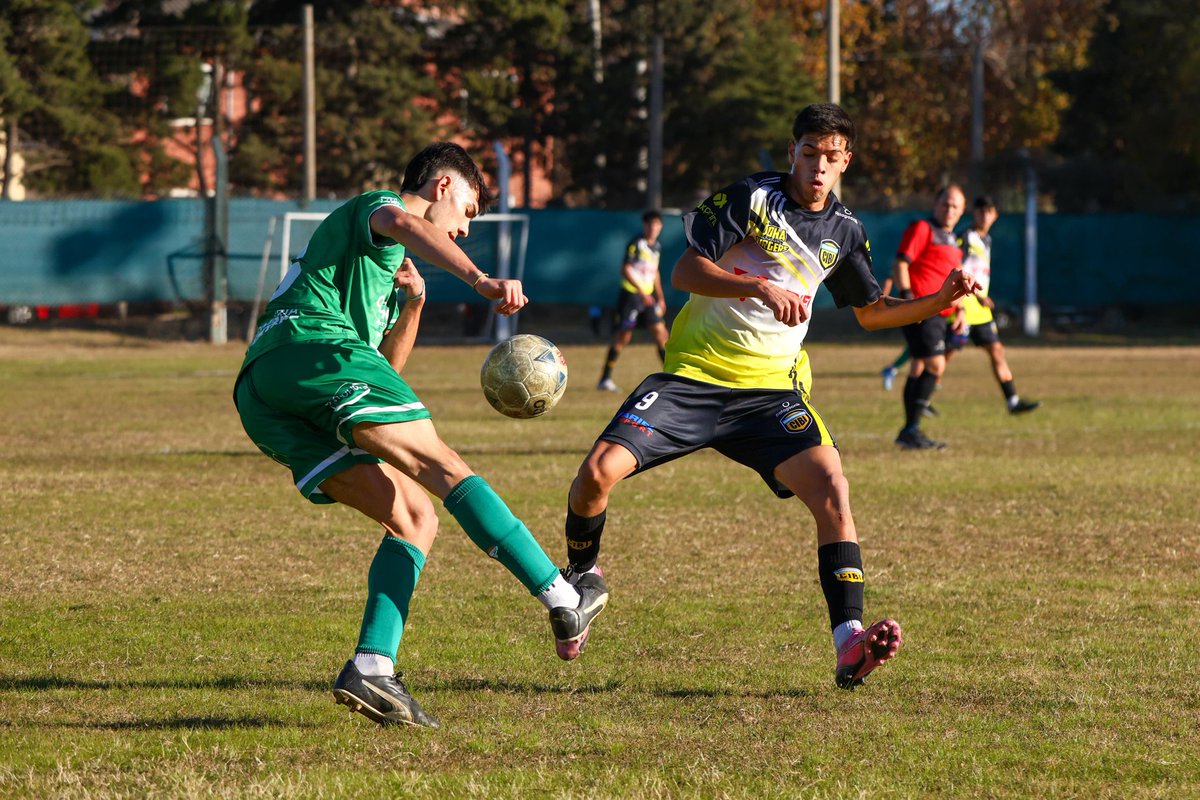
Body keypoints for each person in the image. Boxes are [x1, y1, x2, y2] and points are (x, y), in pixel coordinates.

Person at [558, 104, 978, 688]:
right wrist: (758, 285)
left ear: (846, 162)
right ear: (792, 152)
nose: (818, 167)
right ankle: (583, 579)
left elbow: (872, 312)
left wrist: (940, 300)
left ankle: (850, 642)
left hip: (769, 394)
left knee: (832, 487)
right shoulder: (751, 198)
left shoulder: (845, 231)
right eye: (809, 153)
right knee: (596, 474)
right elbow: (685, 272)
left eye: (831, 157)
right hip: (694, 378)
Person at [233, 142, 607, 729]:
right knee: (444, 467)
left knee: (414, 518)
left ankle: (372, 666)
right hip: (314, 350)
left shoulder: (381, 273)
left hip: (265, 395)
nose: (465, 229)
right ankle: (563, 595)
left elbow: (382, 374)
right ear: (442, 186)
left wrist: (412, 305)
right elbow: (405, 223)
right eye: (468, 211)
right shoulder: (380, 207)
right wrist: (479, 279)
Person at [943, 196, 1041, 414]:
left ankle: (1012, 401)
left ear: (995, 216)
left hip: (981, 311)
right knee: (944, 356)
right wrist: (976, 295)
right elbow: (955, 265)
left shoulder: (986, 240)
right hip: (964, 307)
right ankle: (923, 397)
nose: (984, 216)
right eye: (980, 211)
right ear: (974, 213)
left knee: (996, 350)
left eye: (989, 212)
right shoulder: (965, 236)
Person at [892, 184, 967, 449]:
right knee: (936, 365)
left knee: (920, 366)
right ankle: (911, 428)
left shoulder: (953, 241)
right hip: (922, 309)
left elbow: (954, 279)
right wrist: (909, 298)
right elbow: (901, 263)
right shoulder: (923, 228)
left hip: (940, 313)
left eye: (955, 206)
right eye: (945, 203)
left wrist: (960, 310)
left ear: (962, 211)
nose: (949, 210)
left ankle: (910, 431)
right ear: (936, 204)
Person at [597, 210, 670, 391]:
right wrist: (641, 292)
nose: (653, 228)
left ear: (661, 226)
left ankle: (670, 378)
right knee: (624, 336)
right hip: (631, 296)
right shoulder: (637, 243)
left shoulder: (657, 247)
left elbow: (655, 272)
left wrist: (660, 298)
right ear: (644, 225)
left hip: (648, 298)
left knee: (661, 333)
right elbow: (626, 269)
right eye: (650, 224)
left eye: (656, 224)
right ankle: (605, 379)